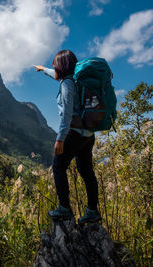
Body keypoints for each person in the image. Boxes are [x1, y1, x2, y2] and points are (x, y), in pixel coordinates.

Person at [33, 50, 101, 223]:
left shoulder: (67, 85)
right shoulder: (77, 81)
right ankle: (92, 212)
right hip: (88, 135)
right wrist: (43, 69)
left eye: (55, 65)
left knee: (58, 166)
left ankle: (65, 209)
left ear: (61, 67)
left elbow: (66, 115)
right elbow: (56, 76)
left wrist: (60, 139)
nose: (54, 68)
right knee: (86, 171)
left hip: (74, 133)